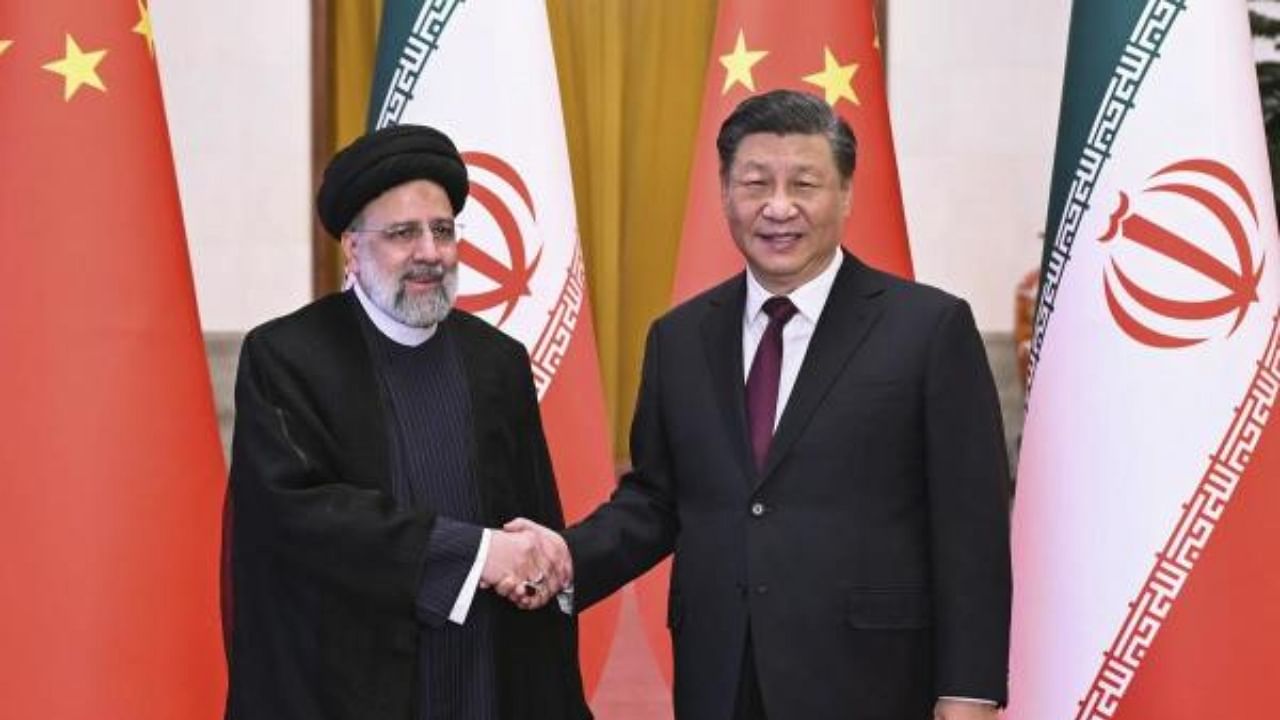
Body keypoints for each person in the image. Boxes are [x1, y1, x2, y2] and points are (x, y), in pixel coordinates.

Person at [511, 89, 1012, 719]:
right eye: (755, 183)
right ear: (725, 193)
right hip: (721, 676)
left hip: (872, 682)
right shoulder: (679, 338)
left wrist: (969, 692)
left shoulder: (928, 328)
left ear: (846, 194)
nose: (779, 207)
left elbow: (972, 530)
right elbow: (658, 500)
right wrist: (563, 557)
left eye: (805, 183)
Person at [223, 124, 590, 720]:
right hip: (348, 685)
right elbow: (300, 519)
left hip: (483, 679)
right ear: (353, 247)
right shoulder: (288, 357)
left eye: (442, 231)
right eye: (402, 233)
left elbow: (533, 522)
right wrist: (473, 554)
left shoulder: (497, 362)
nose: (429, 252)